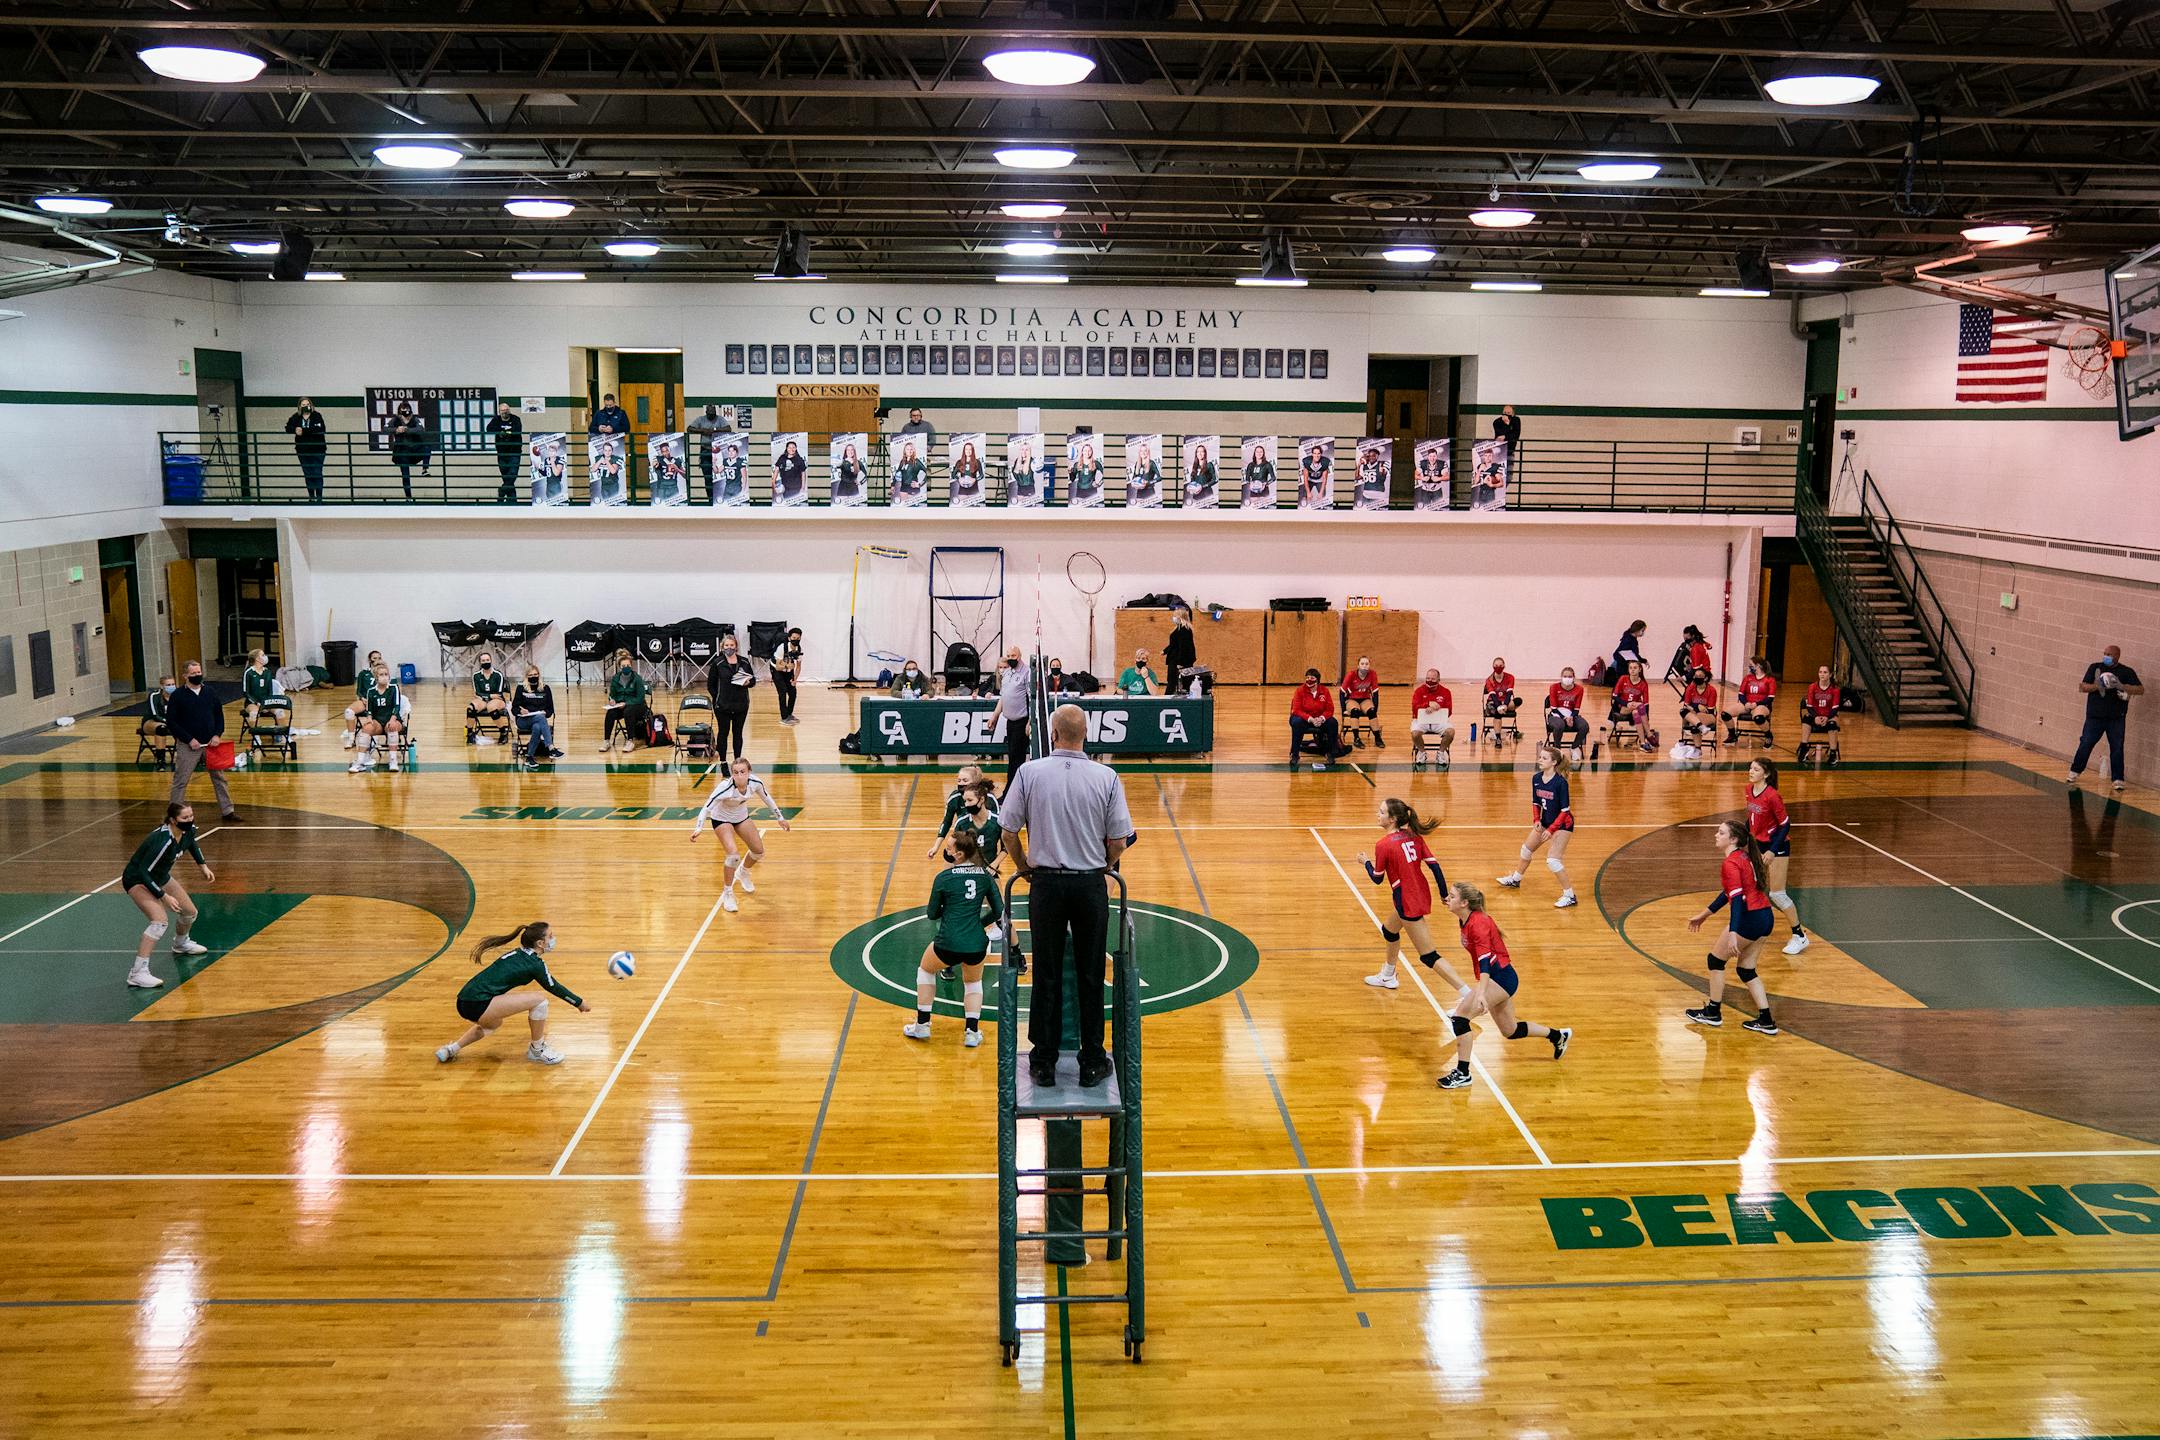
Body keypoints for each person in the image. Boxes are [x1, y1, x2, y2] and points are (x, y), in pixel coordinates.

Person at [1000, 703, 1134, 1088]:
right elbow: (1120, 840)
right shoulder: (1106, 777)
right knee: (1092, 973)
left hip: (1046, 885)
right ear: (1085, 735)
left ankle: (1043, 1062)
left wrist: (1024, 866)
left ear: (1053, 734)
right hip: (1090, 884)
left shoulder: (1029, 773)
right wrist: (1103, 866)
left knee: (1046, 972)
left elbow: (1008, 831)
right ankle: (1092, 1059)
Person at [1435, 882, 1570, 1090]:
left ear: (1464, 903)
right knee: (1510, 1030)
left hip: (1500, 978)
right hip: (1501, 976)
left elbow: (1485, 964)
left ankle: (1463, 1073)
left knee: (1461, 1018)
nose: (1447, 899)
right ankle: (1558, 1035)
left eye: (1451, 897)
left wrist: (1480, 993)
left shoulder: (1477, 924)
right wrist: (1450, 900)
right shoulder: (1467, 917)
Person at [435, 919, 589, 1066]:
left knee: (492, 1025)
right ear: (540, 943)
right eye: (550, 936)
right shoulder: (534, 964)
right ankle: (537, 1049)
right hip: (478, 1002)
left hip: (463, 1000)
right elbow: (553, 986)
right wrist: (579, 1002)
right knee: (540, 1000)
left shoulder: (516, 954)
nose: (554, 939)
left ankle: (450, 1050)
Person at [907, 826, 1002, 1048]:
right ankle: (972, 1032)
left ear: (959, 854)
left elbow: (932, 914)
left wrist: (949, 913)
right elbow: (999, 911)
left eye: (949, 848)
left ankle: (922, 1025)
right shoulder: (986, 876)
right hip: (977, 943)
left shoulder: (943, 878)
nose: (946, 851)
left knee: (926, 969)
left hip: (948, 941)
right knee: (973, 983)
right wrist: (977, 923)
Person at [1683, 821, 1781, 1036]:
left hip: (1749, 919)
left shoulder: (1731, 863)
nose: (1716, 834)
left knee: (1715, 960)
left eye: (1721, 832)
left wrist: (1734, 933)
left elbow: (1737, 901)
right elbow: (1728, 893)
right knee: (1746, 970)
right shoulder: (1745, 858)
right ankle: (1766, 1020)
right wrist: (1704, 915)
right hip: (1765, 917)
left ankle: (1713, 1012)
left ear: (1733, 839)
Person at [120, 802, 214, 990]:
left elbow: (191, 843)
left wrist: (202, 865)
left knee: (189, 912)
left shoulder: (188, 831)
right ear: (173, 820)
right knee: (159, 922)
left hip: (160, 875)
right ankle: (138, 973)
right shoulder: (162, 841)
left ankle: (180, 943)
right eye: (184, 818)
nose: (189, 821)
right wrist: (163, 896)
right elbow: (144, 871)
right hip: (137, 879)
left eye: (191, 816)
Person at [1359, 798, 1449, 990]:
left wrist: (1365, 862)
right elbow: (1435, 866)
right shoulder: (1413, 835)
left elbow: (1377, 878)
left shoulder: (1383, 844)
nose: (1378, 814)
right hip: (1419, 893)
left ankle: (1468, 994)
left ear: (1392, 819)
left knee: (1429, 956)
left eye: (1381, 812)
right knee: (1389, 931)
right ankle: (1388, 975)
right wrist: (1443, 893)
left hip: (1406, 901)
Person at [690, 754, 792, 913]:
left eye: (743, 771)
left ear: (749, 772)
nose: (739, 775)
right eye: (735, 772)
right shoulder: (725, 788)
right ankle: (728, 893)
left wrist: (780, 818)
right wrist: (699, 828)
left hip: (741, 817)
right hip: (721, 819)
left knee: (758, 851)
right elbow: (706, 808)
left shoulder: (755, 782)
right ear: (732, 774)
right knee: (733, 856)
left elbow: (768, 799)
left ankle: (743, 872)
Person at [1497, 743, 1576, 908]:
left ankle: (1569, 895)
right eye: (1540, 757)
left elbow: (1564, 811)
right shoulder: (1536, 779)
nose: (1540, 760)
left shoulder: (1561, 783)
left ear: (1554, 762)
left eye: (1544, 758)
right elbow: (1535, 802)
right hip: (1545, 821)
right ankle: (1516, 879)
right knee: (1526, 850)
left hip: (1562, 824)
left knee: (1553, 860)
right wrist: (1536, 820)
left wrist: (1551, 830)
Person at [1745, 757, 1810, 955]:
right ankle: (1756, 926)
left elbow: (1785, 825)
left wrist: (1773, 850)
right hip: (1759, 843)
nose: (1751, 771)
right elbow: (1752, 818)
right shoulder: (1748, 790)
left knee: (1777, 894)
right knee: (1754, 885)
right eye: (1750, 768)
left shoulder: (1773, 796)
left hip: (1777, 845)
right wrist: (1743, 836)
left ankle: (1799, 936)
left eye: (1756, 769)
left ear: (1765, 774)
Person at [167, 660, 242, 822]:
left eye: (198, 672)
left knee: (220, 778)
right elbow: (172, 722)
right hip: (189, 745)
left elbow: (219, 715)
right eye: (193, 673)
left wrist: (217, 735)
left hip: (210, 745)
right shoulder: (177, 696)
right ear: (185, 676)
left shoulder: (210, 692)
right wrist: (188, 739)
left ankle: (227, 811)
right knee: (181, 780)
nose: (197, 675)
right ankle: (174, 816)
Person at [2070, 644, 2142, 792]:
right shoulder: (2095, 667)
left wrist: (2121, 686)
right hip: (2095, 716)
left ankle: (2118, 779)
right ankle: (2074, 771)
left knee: (2117, 747)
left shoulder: (2126, 671)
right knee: (2086, 742)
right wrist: (2099, 685)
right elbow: (2082, 687)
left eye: (2109, 654)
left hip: (2116, 718)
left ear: (2117, 656)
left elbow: (2140, 689)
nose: (2106, 656)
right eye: (2105, 653)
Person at [1289, 666, 1353, 768]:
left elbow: (1330, 709)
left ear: (1317, 680)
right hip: (1304, 719)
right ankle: (1295, 755)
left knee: (1333, 723)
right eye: (1307, 678)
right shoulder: (1299, 690)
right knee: (1297, 723)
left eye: (1312, 678)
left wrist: (1322, 718)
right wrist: (1310, 719)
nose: (1309, 680)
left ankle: (1330, 753)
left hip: (1319, 719)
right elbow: (1296, 710)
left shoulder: (1325, 691)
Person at [350, 658, 406, 773]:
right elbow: (369, 710)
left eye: (386, 674)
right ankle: (360, 762)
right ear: (376, 677)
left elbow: (396, 706)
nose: (384, 676)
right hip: (379, 721)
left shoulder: (393, 688)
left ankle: (393, 760)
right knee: (366, 728)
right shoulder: (371, 691)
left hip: (392, 719)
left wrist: (392, 719)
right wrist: (369, 719)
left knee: (392, 726)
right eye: (381, 674)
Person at [706, 631, 757, 759]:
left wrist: (747, 683)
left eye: (732, 645)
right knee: (723, 732)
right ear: (722, 647)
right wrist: (717, 698)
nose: (729, 648)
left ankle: (737, 760)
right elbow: (710, 685)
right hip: (723, 706)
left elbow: (753, 681)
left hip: (741, 704)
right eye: (727, 645)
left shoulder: (744, 662)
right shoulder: (717, 663)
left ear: (736, 646)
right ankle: (723, 762)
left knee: (738, 733)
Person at [928, 763, 994, 859]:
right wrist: (936, 847)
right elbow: (946, 822)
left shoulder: (989, 798)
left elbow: (998, 826)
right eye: (959, 780)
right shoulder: (954, 798)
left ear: (975, 782)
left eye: (965, 780)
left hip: (986, 840)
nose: (961, 783)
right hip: (964, 840)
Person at [511, 664, 562, 769]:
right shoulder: (521, 688)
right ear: (526, 676)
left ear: (539, 675)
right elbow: (514, 708)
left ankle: (530, 757)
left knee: (537, 726)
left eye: (535, 674)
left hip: (538, 721)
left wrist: (545, 713)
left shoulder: (545, 688)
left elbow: (550, 710)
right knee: (540, 718)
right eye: (530, 675)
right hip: (523, 720)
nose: (533, 676)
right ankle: (551, 748)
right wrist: (521, 710)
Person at [995, 647, 1030, 789]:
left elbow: (1032, 699)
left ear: (1020, 656)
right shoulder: (1007, 673)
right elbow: (1004, 697)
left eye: (1013, 655)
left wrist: (1029, 722)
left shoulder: (1027, 673)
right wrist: (995, 716)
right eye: (1008, 655)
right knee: (1012, 757)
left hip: (1022, 723)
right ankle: (1013, 790)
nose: (1010, 658)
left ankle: (1011, 791)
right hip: (1010, 722)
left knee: (1016, 759)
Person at [601, 648, 649, 752]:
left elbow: (640, 698)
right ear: (619, 667)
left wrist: (626, 703)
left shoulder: (637, 678)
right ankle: (606, 741)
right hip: (620, 706)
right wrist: (612, 700)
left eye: (628, 666)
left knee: (629, 710)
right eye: (623, 666)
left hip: (638, 706)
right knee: (610, 712)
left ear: (631, 666)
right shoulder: (615, 678)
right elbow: (612, 695)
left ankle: (630, 740)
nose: (626, 668)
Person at [283, 397, 327, 501]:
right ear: (299, 406)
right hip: (303, 450)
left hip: (318, 450)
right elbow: (287, 428)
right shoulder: (296, 417)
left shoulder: (317, 416)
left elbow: (320, 428)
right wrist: (295, 429)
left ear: (311, 405)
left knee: (317, 472)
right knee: (308, 473)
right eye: (303, 405)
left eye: (307, 404)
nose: (306, 406)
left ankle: (319, 497)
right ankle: (311, 497)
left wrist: (303, 431)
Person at [1727, 657, 1777, 744]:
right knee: (1725, 714)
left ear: (1758, 666)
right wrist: (1745, 703)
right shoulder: (1748, 678)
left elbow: (1770, 698)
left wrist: (1756, 703)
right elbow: (1741, 694)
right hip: (1747, 703)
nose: (1749, 667)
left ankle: (1768, 735)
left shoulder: (1770, 679)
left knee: (1758, 718)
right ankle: (1732, 735)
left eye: (1751, 665)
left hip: (1762, 705)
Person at [341, 648, 384, 747]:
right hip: (366, 701)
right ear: (370, 660)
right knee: (349, 712)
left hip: (379, 701)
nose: (377, 660)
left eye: (379, 658)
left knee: (378, 713)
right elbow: (359, 691)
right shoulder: (363, 674)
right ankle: (351, 739)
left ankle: (374, 739)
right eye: (375, 658)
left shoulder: (383, 673)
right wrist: (362, 698)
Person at [1544, 666, 1589, 760]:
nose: (1567, 678)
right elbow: (1554, 709)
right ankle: (1557, 750)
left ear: (1573, 677)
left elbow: (1576, 709)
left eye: (1569, 676)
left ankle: (1574, 747)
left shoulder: (1579, 689)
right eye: (1565, 676)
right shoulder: (1554, 687)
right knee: (1559, 725)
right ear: (1561, 676)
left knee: (1584, 726)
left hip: (1572, 715)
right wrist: (1565, 718)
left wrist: (1571, 717)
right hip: (1556, 715)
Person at [1801, 664, 1843, 764]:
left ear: (1830, 675)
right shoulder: (1812, 687)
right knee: (1806, 718)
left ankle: (1833, 754)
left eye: (1825, 672)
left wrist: (1827, 717)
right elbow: (1809, 706)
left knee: (1833, 724)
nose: (1822, 674)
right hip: (1816, 715)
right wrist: (1815, 717)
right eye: (1820, 672)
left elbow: (1835, 708)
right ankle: (1803, 749)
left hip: (1829, 715)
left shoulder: (1835, 689)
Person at [1409, 669, 1455, 758]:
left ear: (1438, 680)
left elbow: (1449, 711)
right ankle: (1422, 753)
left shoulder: (1446, 692)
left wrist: (1437, 709)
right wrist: (1427, 704)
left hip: (1439, 721)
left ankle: (1441, 753)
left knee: (1450, 732)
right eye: (1428, 678)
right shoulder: (1419, 691)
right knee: (1415, 734)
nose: (1430, 681)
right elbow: (1414, 708)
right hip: (1421, 721)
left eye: (1433, 679)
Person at [687, 404, 731, 498]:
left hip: (717, 451)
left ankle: (720, 497)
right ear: (706, 413)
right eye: (710, 414)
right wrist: (703, 431)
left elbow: (728, 428)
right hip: (705, 450)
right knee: (707, 477)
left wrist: (714, 430)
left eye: (713, 413)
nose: (712, 415)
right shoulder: (701, 419)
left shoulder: (720, 419)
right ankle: (710, 498)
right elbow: (689, 428)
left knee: (720, 476)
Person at [466, 649, 509, 744]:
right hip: (482, 700)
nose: (486, 662)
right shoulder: (476, 676)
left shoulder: (498, 675)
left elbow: (499, 694)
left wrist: (485, 696)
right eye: (483, 660)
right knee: (470, 708)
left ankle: (503, 732)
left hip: (498, 701)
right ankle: (469, 734)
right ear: (480, 662)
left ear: (491, 660)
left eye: (487, 660)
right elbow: (477, 693)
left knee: (491, 707)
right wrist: (490, 696)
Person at [1610, 659, 1653, 751]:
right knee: (1639, 706)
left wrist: (1646, 717)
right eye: (1630, 668)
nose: (1632, 670)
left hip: (1636, 710)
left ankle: (1642, 743)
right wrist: (1627, 703)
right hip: (1622, 708)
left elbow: (1646, 703)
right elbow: (1614, 696)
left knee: (1636, 712)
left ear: (1640, 669)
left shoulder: (1643, 684)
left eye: (1635, 668)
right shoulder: (1623, 678)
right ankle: (1649, 735)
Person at [484, 400, 523, 503]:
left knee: (513, 474)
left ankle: (502, 491)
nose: (505, 413)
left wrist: (508, 433)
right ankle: (512, 500)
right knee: (506, 476)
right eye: (502, 411)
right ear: (499, 411)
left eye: (506, 410)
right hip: (501, 452)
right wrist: (500, 432)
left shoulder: (515, 419)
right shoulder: (496, 419)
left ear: (509, 411)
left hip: (514, 451)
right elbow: (488, 428)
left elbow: (517, 429)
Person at [388, 403, 429, 498]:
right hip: (401, 452)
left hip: (413, 450)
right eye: (403, 410)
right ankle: (408, 497)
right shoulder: (395, 420)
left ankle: (425, 469)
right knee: (405, 475)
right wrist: (396, 430)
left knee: (427, 448)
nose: (405, 412)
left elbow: (420, 429)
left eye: (407, 409)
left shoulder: (414, 419)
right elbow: (385, 429)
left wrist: (407, 430)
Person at [1340, 655, 1382, 747]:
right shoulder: (1351, 674)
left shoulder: (1372, 674)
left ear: (1369, 665)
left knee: (1371, 711)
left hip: (1365, 699)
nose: (1364, 666)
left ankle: (1378, 738)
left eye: (1367, 664)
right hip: (1351, 699)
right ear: (1358, 666)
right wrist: (1343, 709)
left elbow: (1375, 693)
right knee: (1355, 711)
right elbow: (1342, 692)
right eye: (1362, 663)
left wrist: (1375, 709)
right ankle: (1356, 738)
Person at [140, 674, 177, 766]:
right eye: (168, 685)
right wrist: (169, 722)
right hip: (153, 721)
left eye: (173, 684)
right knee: (161, 728)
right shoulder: (154, 695)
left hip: (173, 722)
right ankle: (161, 760)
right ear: (162, 686)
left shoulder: (178, 695)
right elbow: (155, 715)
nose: (171, 687)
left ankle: (195, 756)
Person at [770, 626, 804, 726]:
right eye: (794, 638)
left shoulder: (799, 650)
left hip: (789, 671)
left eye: (798, 639)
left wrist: (795, 680)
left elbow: (798, 667)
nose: (796, 641)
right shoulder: (782, 648)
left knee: (793, 692)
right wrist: (787, 665)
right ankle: (784, 717)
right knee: (783, 691)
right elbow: (777, 667)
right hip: (777, 670)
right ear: (789, 638)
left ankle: (789, 714)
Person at [1679, 667, 1720, 745]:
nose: (1697, 678)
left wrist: (1694, 708)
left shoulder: (1711, 690)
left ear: (1705, 678)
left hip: (1708, 715)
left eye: (1700, 676)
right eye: (1695, 676)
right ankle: (1701, 726)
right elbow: (1686, 706)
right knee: (1683, 711)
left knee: (1693, 724)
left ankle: (1697, 750)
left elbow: (1709, 710)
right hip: (1693, 713)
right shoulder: (1690, 688)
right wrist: (1697, 706)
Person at [1163, 608, 1197, 695]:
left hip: (1179, 660)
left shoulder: (1184, 630)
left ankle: (1167, 699)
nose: (1173, 618)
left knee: (1175, 682)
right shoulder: (1178, 629)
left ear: (1180, 617)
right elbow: (1174, 644)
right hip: (1176, 659)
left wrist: (1180, 662)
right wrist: (1165, 651)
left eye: (1175, 616)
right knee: (1173, 681)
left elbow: (1184, 647)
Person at [1482, 657, 1522, 731]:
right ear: (1493, 666)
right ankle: (1498, 738)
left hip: (1506, 703)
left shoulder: (1510, 677)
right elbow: (1493, 695)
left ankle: (1503, 709)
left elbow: (1509, 693)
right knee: (1497, 711)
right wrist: (1498, 706)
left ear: (1504, 666)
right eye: (1496, 665)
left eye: (1500, 665)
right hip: (1493, 703)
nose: (1498, 667)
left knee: (1519, 700)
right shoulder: (1489, 680)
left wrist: (1505, 705)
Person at [240, 648, 276, 728]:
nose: (265, 657)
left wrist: (267, 703)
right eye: (263, 655)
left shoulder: (267, 672)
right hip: (252, 702)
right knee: (253, 713)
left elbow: (270, 690)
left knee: (280, 712)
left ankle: (282, 736)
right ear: (257, 658)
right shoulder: (249, 672)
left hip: (266, 702)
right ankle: (255, 736)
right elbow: (246, 692)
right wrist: (257, 703)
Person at [1610, 619, 1648, 684]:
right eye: (1642, 630)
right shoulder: (1630, 640)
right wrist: (1644, 661)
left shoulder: (1628, 636)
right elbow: (1635, 655)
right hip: (1622, 664)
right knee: (1622, 683)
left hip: (1622, 662)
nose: (1643, 633)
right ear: (1637, 630)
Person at [774, 437, 808, 504]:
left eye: (793, 447)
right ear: (786, 448)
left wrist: (803, 488)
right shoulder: (782, 458)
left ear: (796, 448)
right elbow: (776, 470)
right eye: (789, 447)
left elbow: (803, 474)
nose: (791, 449)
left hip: (796, 487)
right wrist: (773, 483)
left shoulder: (799, 459)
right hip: (785, 488)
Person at [1126, 439, 1161, 504]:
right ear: (1139, 452)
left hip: (1149, 491)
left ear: (1148, 452)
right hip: (1139, 492)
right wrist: (1133, 483)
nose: (1143, 453)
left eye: (1145, 451)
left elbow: (1159, 478)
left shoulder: (1151, 463)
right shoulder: (1137, 463)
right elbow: (1134, 477)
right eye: (1141, 451)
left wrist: (1148, 483)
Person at [832, 439, 867, 504]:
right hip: (842, 488)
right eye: (848, 450)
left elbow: (866, 475)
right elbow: (834, 467)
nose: (850, 451)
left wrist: (861, 482)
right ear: (845, 451)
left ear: (854, 451)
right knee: (841, 508)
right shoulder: (841, 462)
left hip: (854, 488)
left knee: (854, 508)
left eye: (852, 450)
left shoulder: (858, 462)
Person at [1492, 403, 1522, 478]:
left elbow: (1516, 434)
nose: (1506, 414)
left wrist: (1505, 435)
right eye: (1505, 412)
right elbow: (1499, 435)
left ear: (1513, 414)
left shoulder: (1516, 420)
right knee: (1497, 474)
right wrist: (1506, 425)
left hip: (1510, 450)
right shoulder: (1497, 422)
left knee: (1509, 475)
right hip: (1499, 451)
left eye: (1508, 413)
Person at [1242, 440, 1275, 507]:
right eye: (1257, 452)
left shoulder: (1267, 464)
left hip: (1264, 490)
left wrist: (1266, 483)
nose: (1259, 453)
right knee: (1254, 510)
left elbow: (1273, 478)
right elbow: (1247, 479)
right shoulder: (1250, 465)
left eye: (1261, 452)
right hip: (1253, 491)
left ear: (1263, 453)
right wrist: (1250, 485)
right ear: (1254, 453)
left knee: (1265, 510)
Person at [951, 439, 984, 503]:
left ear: (972, 451)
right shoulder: (959, 462)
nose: (968, 451)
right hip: (962, 491)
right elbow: (953, 475)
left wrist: (975, 479)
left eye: (970, 449)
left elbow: (982, 475)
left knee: (975, 509)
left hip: (974, 489)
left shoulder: (977, 462)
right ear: (964, 451)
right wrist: (959, 479)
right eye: (966, 449)